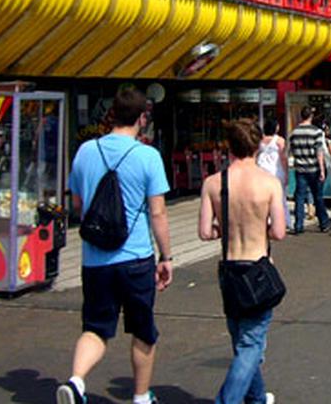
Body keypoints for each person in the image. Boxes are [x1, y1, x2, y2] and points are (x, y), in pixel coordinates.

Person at [57, 88, 173, 404]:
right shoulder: (148, 156)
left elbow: (79, 203)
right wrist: (166, 256)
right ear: (141, 118)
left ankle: (76, 381)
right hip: (135, 257)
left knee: (95, 328)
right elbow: (158, 212)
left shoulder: (85, 151)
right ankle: (140, 397)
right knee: (142, 330)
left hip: (95, 259)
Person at [198, 119, 287, 404]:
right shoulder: (269, 183)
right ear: (257, 145)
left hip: (229, 267)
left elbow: (204, 231)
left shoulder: (213, 183)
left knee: (241, 339)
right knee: (250, 344)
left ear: (229, 146)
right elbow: (279, 232)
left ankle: (257, 398)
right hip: (257, 266)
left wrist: (224, 227)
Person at [288, 106, 331, 234]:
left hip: (300, 168)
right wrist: (322, 170)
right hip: (313, 168)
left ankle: (298, 225)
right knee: (318, 196)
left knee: (299, 197)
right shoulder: (316, 132)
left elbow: (291, 151)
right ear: (310, 116)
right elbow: (319, 152)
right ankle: (323, 222)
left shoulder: (294, 132)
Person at [257, 119, 290, 231]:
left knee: (264, 197)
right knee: (280, 197)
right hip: (276, 169)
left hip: (262, 169)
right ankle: (283, 220)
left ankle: (266, 220)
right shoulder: (280, 140)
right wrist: (287, 173)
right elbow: (283, 158)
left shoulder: (260, 140)